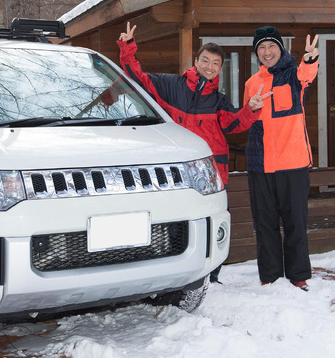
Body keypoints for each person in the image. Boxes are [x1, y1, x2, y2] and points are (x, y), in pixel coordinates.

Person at [117, 22, 270, 284]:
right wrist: (128, 48)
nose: (209, 67)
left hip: (211, 175)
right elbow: (137, 78)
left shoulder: (218, 100)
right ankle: (174, 276)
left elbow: (234, 123)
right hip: (175, 174)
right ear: (196, 61)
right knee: (174, 223)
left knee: (212, 224)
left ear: (220, 68)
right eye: (206, 61)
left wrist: (251, 108)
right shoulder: (170, 85)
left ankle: (212, 276)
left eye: (215, 64)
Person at [243, 26, 319, 291]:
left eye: (271, 46)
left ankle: (298, 275)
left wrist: (310, 59)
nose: (266, 52)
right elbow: (246, 120)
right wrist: (249, 109)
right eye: (261, 48)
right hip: (260, 163)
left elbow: (307, 74)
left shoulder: (293, 75)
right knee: (264, 223)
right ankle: (270, 276)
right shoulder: (251, 83)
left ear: (280, 48)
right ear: (257, 53)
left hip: (292, 162)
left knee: (295, 221)